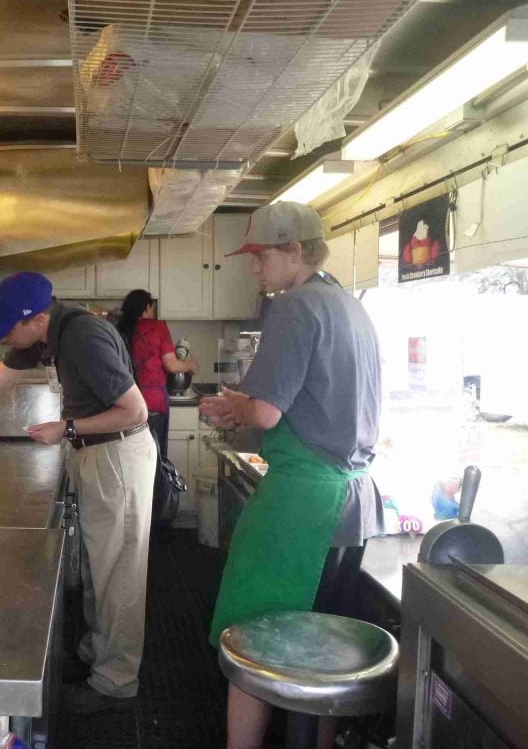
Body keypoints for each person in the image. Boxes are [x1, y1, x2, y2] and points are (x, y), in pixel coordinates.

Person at [0, 272, 157, 715]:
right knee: (101, 568)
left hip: (117, 456)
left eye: (9, 328)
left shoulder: (83, 336)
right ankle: (97, 655)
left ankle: (115, 682)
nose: (5, 338)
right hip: (96, 453)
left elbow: (135, 410)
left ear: (37, 318)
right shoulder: (47, 334)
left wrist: (67, 428)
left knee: (119, 574)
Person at [199, 201, 385, 749]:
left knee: (253, 639)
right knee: (323, 648)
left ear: (296, 251)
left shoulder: (294, 307)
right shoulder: (352, 307)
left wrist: (232, 403)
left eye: (261, 256)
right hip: (355, 499)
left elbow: (264, 414)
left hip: (303, 501)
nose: (254, 268)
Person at [115, 289, 199, 458]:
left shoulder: (119, 329)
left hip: (125, 402)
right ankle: (155, 485)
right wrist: (191, 364)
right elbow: (172, 365)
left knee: (129, 457)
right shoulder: (157, 327)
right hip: (153, 403)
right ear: (147, 308)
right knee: (155, 458)